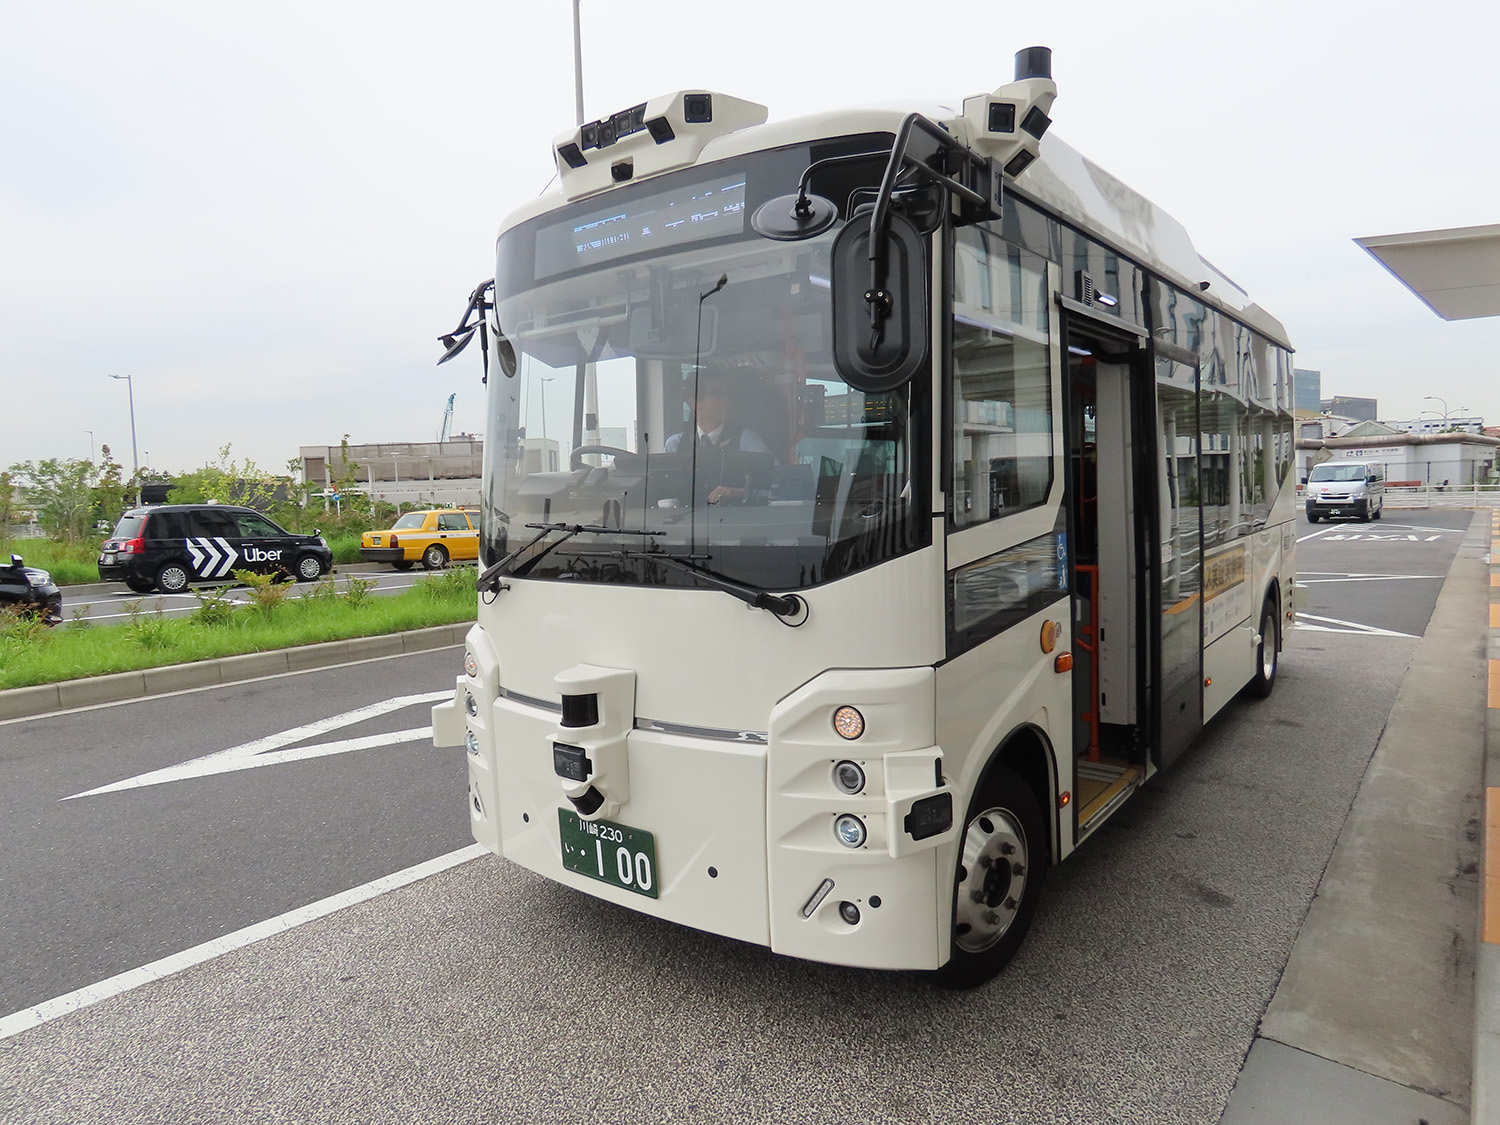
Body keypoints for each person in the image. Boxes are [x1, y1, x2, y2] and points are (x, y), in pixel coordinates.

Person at [665, 368, 772, 504]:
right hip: (689, 524)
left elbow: (777, 485)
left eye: (728, 394)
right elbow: (666, 493)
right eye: (718, 395)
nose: (727, 400)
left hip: (734, 523)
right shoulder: (675, 445)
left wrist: (742, 492)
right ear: (695, 403)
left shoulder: (747, 441)